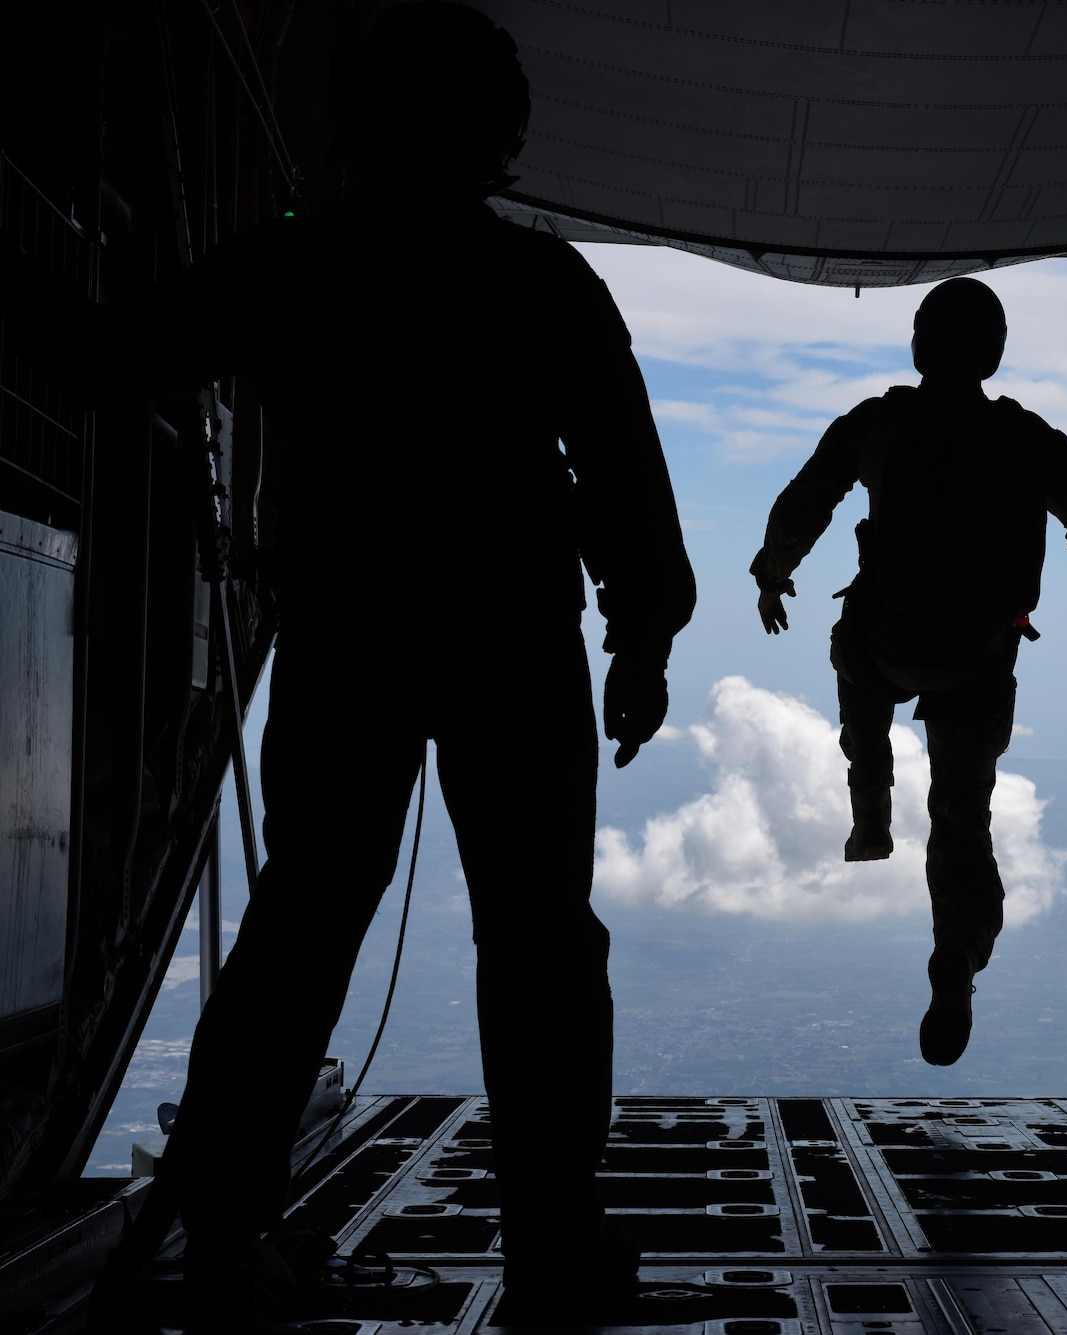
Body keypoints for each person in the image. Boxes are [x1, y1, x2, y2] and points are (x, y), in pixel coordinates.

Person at [22, 4, 694, 1319]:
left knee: (303, 921)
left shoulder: (294, 267)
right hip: (508, 638)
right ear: (497, 134)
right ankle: (554, 1245)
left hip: (350, 629)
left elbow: (109, 358)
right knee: (540, 938)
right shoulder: (542, 285)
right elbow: (623, 477)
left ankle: (223, 1233)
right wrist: (645, 635)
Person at [749, 278, 1067, 1067]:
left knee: (851, 648)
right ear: (993, 353)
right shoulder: (1027, 438)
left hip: (887, 647)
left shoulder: (879, 422)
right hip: (978, 663)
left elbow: (804, 504)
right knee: (962, 818)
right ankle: (956, 948)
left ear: (920, 347)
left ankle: (871, 808)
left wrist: (771, 572)